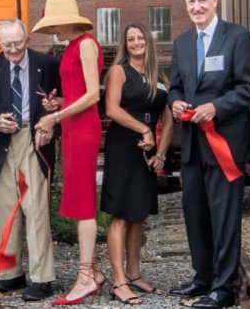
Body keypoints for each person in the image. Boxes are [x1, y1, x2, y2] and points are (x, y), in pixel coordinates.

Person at [166, 0, 250, 309]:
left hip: (225, 145)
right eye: (190, 2)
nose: (196, 7)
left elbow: (249, 88)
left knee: (224, 217)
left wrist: (216, 107)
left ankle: (223, 288)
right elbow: (175, 87)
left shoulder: (237, 37)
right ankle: (202, 278)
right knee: (195, 214)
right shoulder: (181, 43)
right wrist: (174, 104)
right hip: (192, 145)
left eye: (201, 1)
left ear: (215, 1)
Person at [0, 18, 61, 302]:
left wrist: (52, 116)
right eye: (7, 45)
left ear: (28, 40)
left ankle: (41, 277)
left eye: (18, 43)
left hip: (33, 140)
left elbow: (60, 102)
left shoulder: (46, 64)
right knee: (5, 212)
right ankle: (11, 274)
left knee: (35, 210)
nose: (13, 50)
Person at [31, 0, 105, 306]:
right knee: (78, 197)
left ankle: (86, 275)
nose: (53, 32)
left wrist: (54, 116)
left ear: (66, 20)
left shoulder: (86, 44)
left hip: (83, 128)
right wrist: (58, 103)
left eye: (54, 25)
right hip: (74, 127)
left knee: (84, 200)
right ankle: (94, 271)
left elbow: (92, 95)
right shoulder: (74, 46)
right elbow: (77, 95)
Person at [101, 23, 172, 305]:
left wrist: (162, 153)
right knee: (120, 214)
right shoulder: (119, 71)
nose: (136, 42)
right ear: (125, 44)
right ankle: (118, 281)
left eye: (140, 37)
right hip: (122, 147)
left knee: (138, 214)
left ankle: (133, 273)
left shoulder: (159, 76)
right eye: (130, 39)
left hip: (148, 152)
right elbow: (112, 109)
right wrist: (142, 130)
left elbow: (167, 119)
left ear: (148, 42)